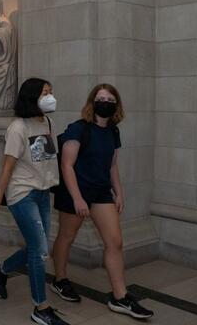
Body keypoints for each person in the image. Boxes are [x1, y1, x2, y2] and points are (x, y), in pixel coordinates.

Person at [50, 84, 154, 320]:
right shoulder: (78, 129)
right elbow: (66, 165)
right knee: (67, 236)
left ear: (116, 104)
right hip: (75, 190)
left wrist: (119, 191)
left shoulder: (113, 131)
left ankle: (120, 296)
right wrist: (77, 198)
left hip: (101, 192)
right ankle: (60, 279)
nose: (105, 102)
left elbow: (112, 165)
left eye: (110, 99)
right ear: (91, 101)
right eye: (100, 98)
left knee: (115, 241)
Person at [0, 78, 69, 325]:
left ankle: (1, 270)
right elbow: (7, 167)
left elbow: (48, 159)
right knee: (41, 252)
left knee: (36, 247)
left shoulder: (48, 122)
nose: (50, 97)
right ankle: (41, 308)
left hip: (42, 192)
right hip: (22, 194)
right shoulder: (17, 127)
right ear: (32, 96)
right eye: (45, 92)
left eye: (51, 92)